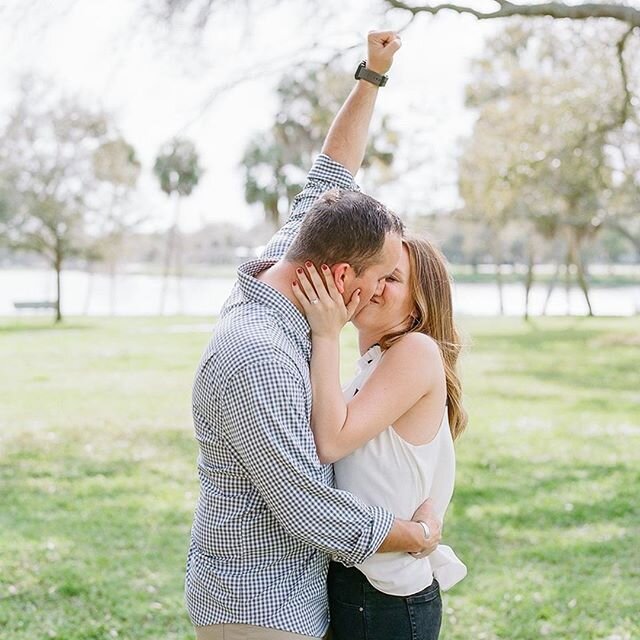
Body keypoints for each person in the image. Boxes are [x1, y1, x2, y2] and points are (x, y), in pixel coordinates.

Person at [185, 31, 444, 640]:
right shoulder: (258, 356)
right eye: (379, 279)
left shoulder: (294, 263)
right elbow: (310, 505)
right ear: (336, 273)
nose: (380, 293)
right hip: (258, 606)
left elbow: (332, 169)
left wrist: (373, 74)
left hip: (298, 598)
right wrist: (419, 532)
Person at [291, 235, 469, 639]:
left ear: (419, 301)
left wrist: (326, 333)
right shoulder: (373, 367)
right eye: (373, 273)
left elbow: (331, 442)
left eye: (392, 277)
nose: (374, 286)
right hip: (357, 585)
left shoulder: (416, 350)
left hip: (389, 600)